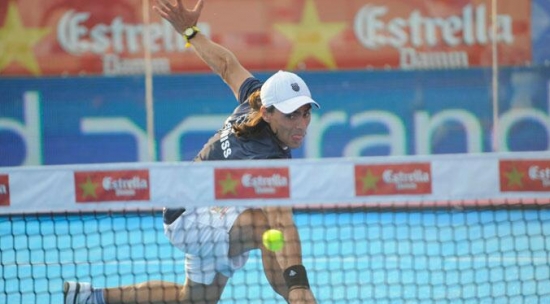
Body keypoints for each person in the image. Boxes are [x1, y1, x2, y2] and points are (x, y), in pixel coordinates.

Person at [63, 0, 319, 303]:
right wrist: (298, 284)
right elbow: (280, 220)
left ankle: (88, 296)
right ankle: (298, 298)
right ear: (267, 112)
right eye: (291, 115)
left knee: (194, 299)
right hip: (188, 214)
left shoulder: (254, 98)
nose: (301, 124)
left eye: (305, 113)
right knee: (265, 227)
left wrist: (189, 31)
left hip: (221, 209)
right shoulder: (267, 158)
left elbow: (226, 65)